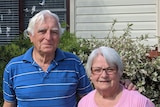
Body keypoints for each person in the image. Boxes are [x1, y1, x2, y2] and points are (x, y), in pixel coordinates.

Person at [3, 10, 135, 107]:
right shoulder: (13, 67)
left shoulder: (73, 63)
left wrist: (118, 85)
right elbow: (9, 105)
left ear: (59, 37)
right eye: (42, 31)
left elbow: (93, 99)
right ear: (31, 36)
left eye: (54, 32)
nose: (48, 37)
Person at [78, 46, 155, 107]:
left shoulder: (139, 103)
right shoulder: (84, 103)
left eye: (110, 69)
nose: (104, 75)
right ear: (90, 74)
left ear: (119, 72)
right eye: (97, 70)